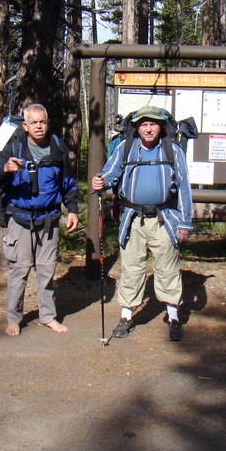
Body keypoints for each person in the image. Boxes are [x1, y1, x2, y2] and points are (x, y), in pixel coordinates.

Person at [91, 105, 193, 341]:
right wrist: (101, 181)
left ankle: (173, 316)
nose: (148, 129)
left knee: (167, 267)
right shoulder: (125, 149)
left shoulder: (173, 150)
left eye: (153, 124)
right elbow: (111, 173)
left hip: (165, 219)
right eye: (144, 124)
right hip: (132, 219)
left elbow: (184, 188)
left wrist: (185, 223)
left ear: (161, 127)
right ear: (136, 127)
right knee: (132, 268)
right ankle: (126, 316)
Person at [0, 103, 79, 336]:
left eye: (43, 122)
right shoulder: (14, 147)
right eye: (34, 122)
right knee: (20, 271)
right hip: (20, 220)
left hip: (49, 220)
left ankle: (48, 316)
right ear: (25, 126)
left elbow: (68, 183)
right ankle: (13, 318)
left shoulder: (57, 147)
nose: (39, 126)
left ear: (47, 123)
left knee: (47, 271)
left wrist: (73, 209)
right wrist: (4, 169)